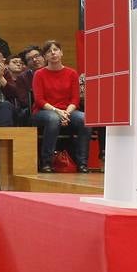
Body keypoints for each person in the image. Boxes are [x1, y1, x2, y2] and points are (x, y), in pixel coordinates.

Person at [32, 40, 90, 173]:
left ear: (61, 53)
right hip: (44, 111)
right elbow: (39, 100)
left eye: (56, 49)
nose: (53, 53)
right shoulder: (39, 74)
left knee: (84, 119)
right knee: (53, 118)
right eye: (49, 51)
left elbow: (75, 100)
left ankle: (82, 163)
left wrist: (66, 113)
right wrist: (58, 111)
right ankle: (46, 162)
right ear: (45, 57)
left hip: (67, 111)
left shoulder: (71, 73)